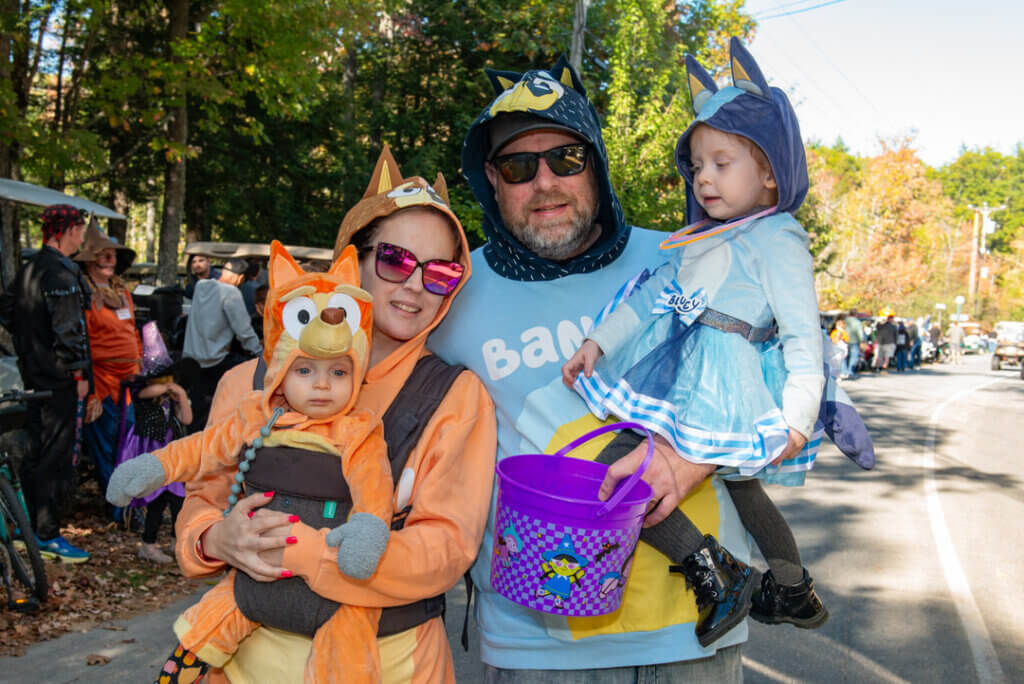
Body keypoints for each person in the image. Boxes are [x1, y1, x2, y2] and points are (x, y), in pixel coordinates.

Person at [430, 53, 754, 680]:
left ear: (597, 165)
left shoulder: (686, 257)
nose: (544, 182)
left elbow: (785, 388)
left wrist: (688, 460)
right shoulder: (451, 294)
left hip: (691, 636)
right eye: (518, 167)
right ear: (491, 180)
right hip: (537, 647)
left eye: (567, 159)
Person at [172, 146, 496, 683]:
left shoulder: (456, 397)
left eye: (440, 272)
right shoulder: (250, 382)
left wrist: (309, 554)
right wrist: (212, 539)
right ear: (352, 260)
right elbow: (203, 501)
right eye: (395, 260)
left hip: (394, 665)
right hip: (243, 664)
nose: (415, 285)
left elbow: (445, 547)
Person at [559, 39, 839, 648]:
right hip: (679, 374)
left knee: (617, 477)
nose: (703, 176)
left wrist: (798, 418)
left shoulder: (778, 238)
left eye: (722, 162)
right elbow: (649, 299)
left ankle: (714, 570)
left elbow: (802, 332)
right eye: (697, 165)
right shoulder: (701, 236)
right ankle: (792, 588)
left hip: (722, 385)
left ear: (771, 171)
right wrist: (597, 343)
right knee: (738, 485)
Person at [109, 242, 394, 683]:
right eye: (305, 371)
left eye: (338, 372)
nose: (322, 386)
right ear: (281, 370)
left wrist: (369, 528)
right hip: (250, 582)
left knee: (349, 657)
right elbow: (203, 449)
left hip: (331, 586)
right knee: (204, 628)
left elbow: (374, 486)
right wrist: (154, 467)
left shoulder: (359, 429)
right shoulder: (257, 415)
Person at [3, 204, 92, 562]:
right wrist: (79, 373)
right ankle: (47, 534)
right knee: (55, 455)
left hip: (34, 373)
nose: (82, 238)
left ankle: (30, 529)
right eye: (80, 231)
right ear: (69, 231)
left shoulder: (30, 268)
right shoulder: (59, 274)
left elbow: (7, 310)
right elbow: (69, 331)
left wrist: (29, 343)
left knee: (36, 451)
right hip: (58, 379)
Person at [115, 321, 198, 564]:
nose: (166, 385)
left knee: (179, 499)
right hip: (151, 454)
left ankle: (177, 540)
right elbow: (147, 392)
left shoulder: (172, 398)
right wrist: (167, 387)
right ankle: (148, 544)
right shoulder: (144, 394)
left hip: (172, 456)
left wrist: (181, 397)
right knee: (156, 500)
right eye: (161, 380)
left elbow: (187, 419)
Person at [75, 221, 142, 504]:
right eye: (103, 254)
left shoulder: (122, 292)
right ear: (90, 260)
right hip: (101, 382)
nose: (109, 260)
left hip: (130, 381)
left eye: (112, 255)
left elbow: (132, 330)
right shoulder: (83, 294)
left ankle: (130, 502)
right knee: (107, 445)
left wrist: (138, 363)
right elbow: (80, 340)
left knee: (130, 444)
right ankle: (117, 506)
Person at [182, 256, 262, 431]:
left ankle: (191, 441)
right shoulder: (231, 292)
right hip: (214, 360)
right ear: (240, 278)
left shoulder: (201, 286)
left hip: (191, 358)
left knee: (198, 408)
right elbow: (244, 330)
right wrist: (259, 352)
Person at [843, 309, 864, 378]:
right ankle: (850, 372)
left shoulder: (845, 321)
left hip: (844, 341)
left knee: (844, 356)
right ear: (856, 314)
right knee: (854, 357)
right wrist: (862, 340)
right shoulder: (857, 322)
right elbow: (860, 332)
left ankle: (844, 371)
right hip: (854, 341)